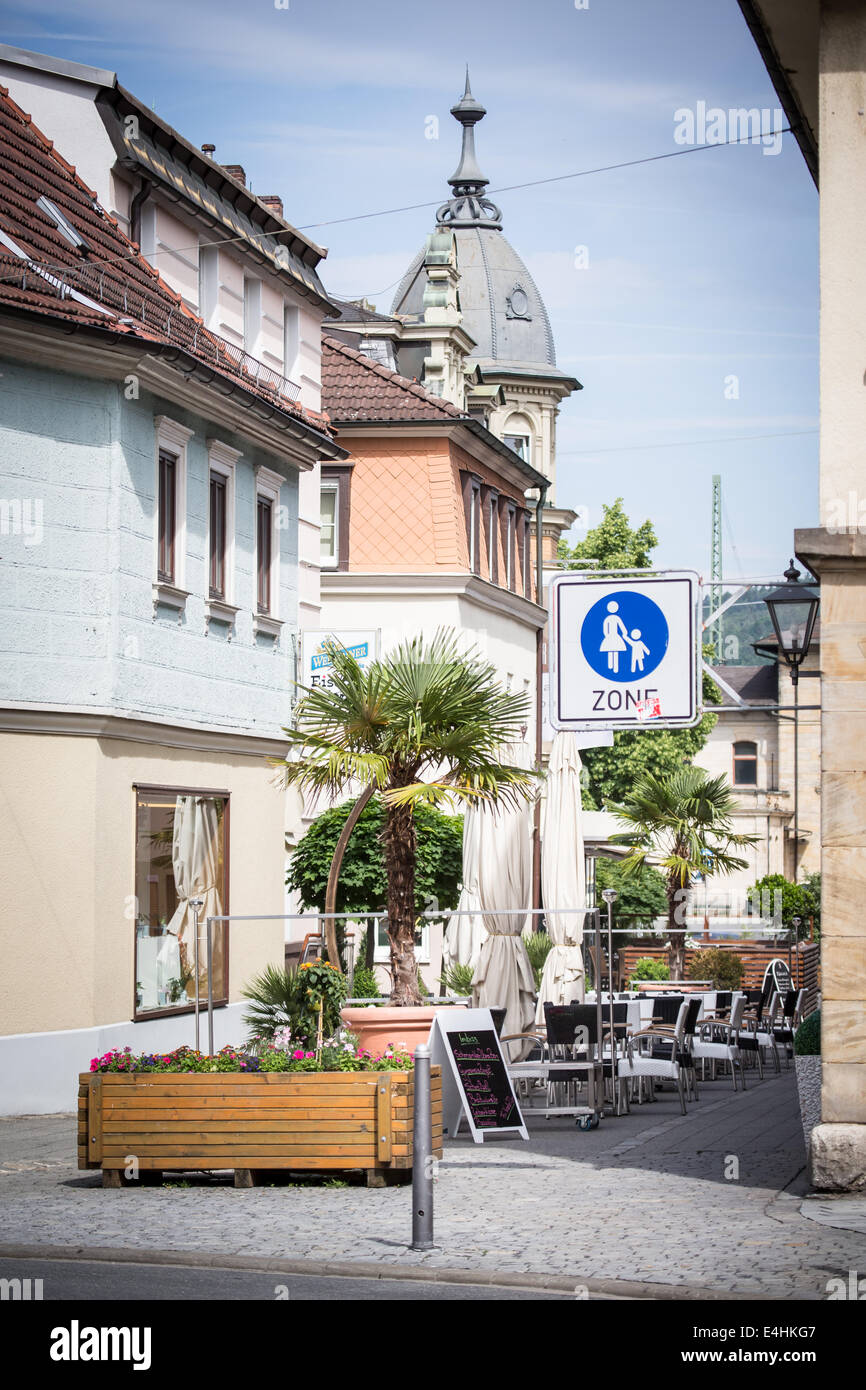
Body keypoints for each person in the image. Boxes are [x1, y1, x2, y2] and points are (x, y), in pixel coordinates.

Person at [599, 600, 629, 673]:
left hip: (611, 636)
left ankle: (613, 666)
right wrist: (625, 632)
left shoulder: (609, 618)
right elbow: (622, 627)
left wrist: (607, 635)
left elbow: (605, 629)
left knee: (613, 650)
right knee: (613, 650)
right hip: (613, 636)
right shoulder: (613, 618)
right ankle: (612, 667)